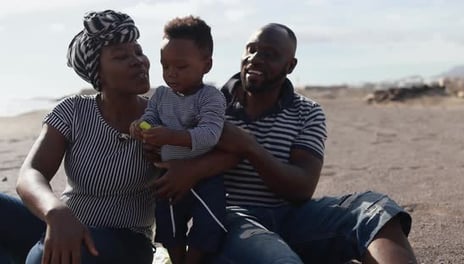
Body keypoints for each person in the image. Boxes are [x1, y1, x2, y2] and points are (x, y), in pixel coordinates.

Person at [152, 23, 418, 263]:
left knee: (375, 210)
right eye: (251, 50)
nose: (255, 58)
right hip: (234, 218)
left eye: (269, 54)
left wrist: (250, 147)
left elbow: (301, 188)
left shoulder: (307, 112)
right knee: (277, 257)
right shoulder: (209, 103)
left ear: (290, 66)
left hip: (294, 217)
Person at [0, 10, 156, 264]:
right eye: (121, 56)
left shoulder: (162, 117)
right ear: (98, 72)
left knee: (43, 257)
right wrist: (55, 211)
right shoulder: (72, 111)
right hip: (63, 224)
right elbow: (31, 173)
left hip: (125, 241)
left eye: (138, 52)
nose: (137, 61)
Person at [129, 15, 227, 264]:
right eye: (165, 66)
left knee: (209, 223)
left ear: (206, 64)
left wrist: (171, 136)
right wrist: (140, 127)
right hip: (167, 176)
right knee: (168, 225)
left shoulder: (210, 97)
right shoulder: (161, 95)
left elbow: (210, 135)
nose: (171, 74)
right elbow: (149, 116)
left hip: (204, 177)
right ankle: (176, 258)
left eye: (181, 67)